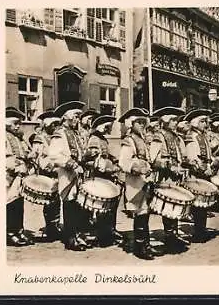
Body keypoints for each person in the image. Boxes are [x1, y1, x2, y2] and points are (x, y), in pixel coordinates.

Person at [117, 108, 163, 259]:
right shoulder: (129, 140)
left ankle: (145, 245)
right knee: (140, 214)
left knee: (145, 213)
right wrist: (137, 167)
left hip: (145, 181)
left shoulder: (142, 139)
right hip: (135, 182)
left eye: (144, 122)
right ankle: (140, 248)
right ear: (131, 123)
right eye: (139, 122)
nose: (143, 125)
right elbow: (124, 162)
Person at [47, 101, 90, 251]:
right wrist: (72, 164)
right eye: (76, 116)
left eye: (79, 117)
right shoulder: (60, 133)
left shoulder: (76, 133)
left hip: (79, 173)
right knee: (70, 204)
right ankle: (70, 238)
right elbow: (54, 155)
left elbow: (80, 152)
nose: (78, 120)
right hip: (68, 174)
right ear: (67, 117)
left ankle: (77, 235)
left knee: (78, 205)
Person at [151, 106, 191, 252]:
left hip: (177, 176)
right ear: (166, 121)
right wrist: (169, 166)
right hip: (165, 176)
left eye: (176, 120)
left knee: (177, 204)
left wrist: (187, 163)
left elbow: (182, 156)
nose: (176, 122)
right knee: (169, 205)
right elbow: (153, 158)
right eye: (173, 120)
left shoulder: (177, 137)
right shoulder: (158, 136)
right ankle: (169, 235)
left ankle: (173, 233)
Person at [82, 114, 124, 247]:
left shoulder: (102, 138)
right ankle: (103, 235)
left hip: (106, 175)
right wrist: (109, 168)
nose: (111, 128)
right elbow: (94, 159)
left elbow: (106, 154)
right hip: (99, 175)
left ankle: (109, 231)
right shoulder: (94, 139)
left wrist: (115, 160)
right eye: (109, 126)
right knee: (103, 207)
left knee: (109, 206)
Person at [184, 108, 219, 242]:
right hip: (197, 174)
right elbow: (193, 157)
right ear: (195, 122)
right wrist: (205, 169)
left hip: (205, 172)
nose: (206, 124)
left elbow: (207, 154)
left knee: (203, 204)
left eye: (206, 121)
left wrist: (213, 162)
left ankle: (201, 230)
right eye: (203, 121)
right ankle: (198, 233)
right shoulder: (191, 136)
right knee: (198, 204)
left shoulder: (202, 135)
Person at [29, 109, 62, 242]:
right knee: (49, 202)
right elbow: (37, 157)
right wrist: (48, 165)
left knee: (56, 201)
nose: (55, 127)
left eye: (57, 125)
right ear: (47, 125)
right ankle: (50, 227)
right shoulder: (39, 138)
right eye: (53, 125)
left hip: (57, 173)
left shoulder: (56, 137)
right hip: (46, 174)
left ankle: (55, 225)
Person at [6, 107, 35, 247]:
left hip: (20, 174)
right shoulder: (3, 135)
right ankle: (9, 233)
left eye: (19, 123)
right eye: (15, 123)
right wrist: (17, 166)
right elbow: (6, 157)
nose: (18, 126)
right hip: (8, 176)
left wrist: (30, 156)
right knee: (10, 203)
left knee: (19, 204)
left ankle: (19, 230)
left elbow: (25, 152)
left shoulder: (19, 137)